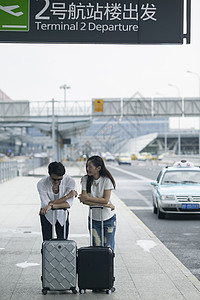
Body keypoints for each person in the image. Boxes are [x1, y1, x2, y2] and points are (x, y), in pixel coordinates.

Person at [78, 155, 116, 251]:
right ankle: (97, 266)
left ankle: (108, 266)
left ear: (98, 168)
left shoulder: (106, 180)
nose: (87, 169)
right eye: (87, 166)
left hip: (108, 218)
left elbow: (105, 199)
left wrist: (88, 198)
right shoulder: (85, 179)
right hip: (94, 218)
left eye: (90, 167)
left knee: (108, 247)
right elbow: (83, 200)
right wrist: (106, 205)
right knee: (96, 246)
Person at [37, 161, 77, 241]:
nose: (56, 182)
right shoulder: (41, 183)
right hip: (46, 214)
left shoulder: (70, 181)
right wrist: (67, 196)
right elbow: (46, 204)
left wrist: (51, 206)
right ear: (49, 174)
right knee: (47, 243)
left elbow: (68, 205)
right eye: (54, 179)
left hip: (63, 214)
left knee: (63, 243)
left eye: (59, 179)